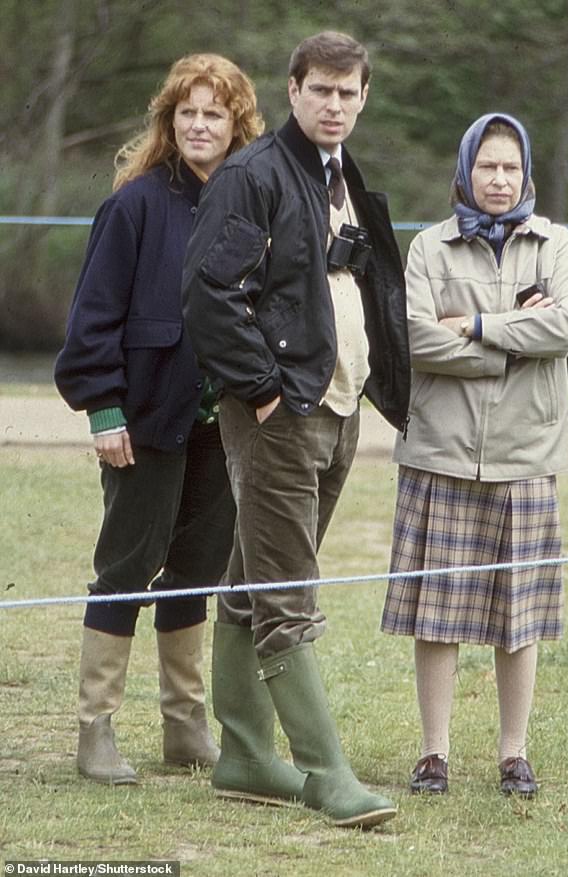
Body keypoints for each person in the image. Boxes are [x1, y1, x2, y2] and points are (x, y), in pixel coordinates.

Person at [182, 31, 410, 828]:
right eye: (321, 90)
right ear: (293, 90)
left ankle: (245, 755)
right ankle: (327, 772)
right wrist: (263, 393)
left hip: (339, 408)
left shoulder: (342, 177)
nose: (334, 105)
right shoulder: (254, 175)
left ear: (364, 97)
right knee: (286, 592)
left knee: (254, 579)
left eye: (348, 93)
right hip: (280, 416)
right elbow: (210, 292)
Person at [54, 54, 264, 785]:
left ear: (238, 125)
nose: (200, 125)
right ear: (169, 122)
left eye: (215, 113)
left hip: (224, 423)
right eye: (187, 113)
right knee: (125, 568)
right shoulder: (134, 206)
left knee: (196, 570)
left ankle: (185, 726)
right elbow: (92, 320)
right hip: (143, 420)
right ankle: (96, 730)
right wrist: (104, 410)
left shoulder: (251, 208)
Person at [381, 112, 568, 798]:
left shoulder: (555, 244)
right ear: (465, 171)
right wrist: (509, 348)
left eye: (510, 167)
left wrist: (473, 325)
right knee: (435, 614)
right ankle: (433, 754)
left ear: (525, 174)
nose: (499, 180)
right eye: (486, 166)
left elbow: (565, 326)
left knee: (517, 616)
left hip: (525, 455)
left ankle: (513, 754)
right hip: (439, 452)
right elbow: (413, 338)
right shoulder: (428, 248)